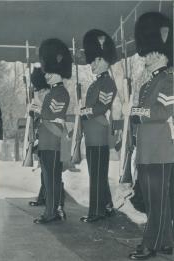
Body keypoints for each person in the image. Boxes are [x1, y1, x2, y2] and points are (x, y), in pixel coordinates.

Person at [127, 12, 173, 260]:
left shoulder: (170, 79)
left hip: (160, 150)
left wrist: (135, 111)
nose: (147, 58)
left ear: (163, 55)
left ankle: (151, 244)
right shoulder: (147, 84)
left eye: (152, 54)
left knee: (157, 202)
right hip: (147, 150)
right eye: (147, 54)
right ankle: (165, 241)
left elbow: (163, 110)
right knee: (156, 201)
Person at [79, 29, 117, 223]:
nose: (92, 64)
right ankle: (107, 205)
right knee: (97, 173)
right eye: (92, 61)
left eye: (95, 61)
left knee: (97, 174)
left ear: (105, 61)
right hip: (92, 133)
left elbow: (101, 107)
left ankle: (96, 211)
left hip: (100, 133)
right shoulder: (96, 84)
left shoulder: (108, 83)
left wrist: (84, 111)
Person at [33, 38, 72, 224]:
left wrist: (39, 106)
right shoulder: (51, 92)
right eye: (46, 72)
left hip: (55, 141)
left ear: (59, 72)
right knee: (49, 178)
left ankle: (52, 212)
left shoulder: (61, 93)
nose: (46, 75)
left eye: (49, 72)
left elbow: (51, 114)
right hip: (47, 140)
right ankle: (55, 208)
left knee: (53, 179)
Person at [28, 67, 65, 208]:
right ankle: (44, 197)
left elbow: (50, 113)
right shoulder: (46, 93)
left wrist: (38, 108)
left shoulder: (52, 93)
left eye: (41, 90)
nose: (40, 93)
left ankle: (56, 204)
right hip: (43, 134)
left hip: (53, 133)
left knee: (53, 173)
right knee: (45, 170)